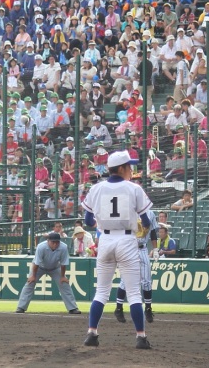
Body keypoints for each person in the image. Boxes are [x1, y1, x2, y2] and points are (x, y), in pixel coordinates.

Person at [82, 150, 153, 350]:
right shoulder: (134, 188)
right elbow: (146, 220)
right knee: (134, 293)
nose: (131, 170)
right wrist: (141, 226)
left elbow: (87, 221)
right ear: (121, 168)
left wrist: (103, 223)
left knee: (101, 292)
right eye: (129, 166)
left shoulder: (96, 189)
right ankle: (140, 337)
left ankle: (92, 333)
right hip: (126, 240)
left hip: (104, 239)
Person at [15, 232, 81, 315]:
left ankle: (73, 308)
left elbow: (63, 263)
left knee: (64, 284)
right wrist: (33, 276)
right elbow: (36, 263)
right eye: (53, 242)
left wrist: (63, 276)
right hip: (39, 267)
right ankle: (21, 307)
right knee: (30, 283)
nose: (55, 244)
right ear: (48, 241)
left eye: (57, 242)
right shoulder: (41, 247)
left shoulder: (63, 247)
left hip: (55, 268)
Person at [114, 209, 157, 324]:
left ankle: (148, 309)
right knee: (124, 281)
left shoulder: (150, 213)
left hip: (143, 249)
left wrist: (155, 248)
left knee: (146, 281)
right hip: (129, 249)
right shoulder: (127, 212)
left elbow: (153, 232)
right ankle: (118, 308)